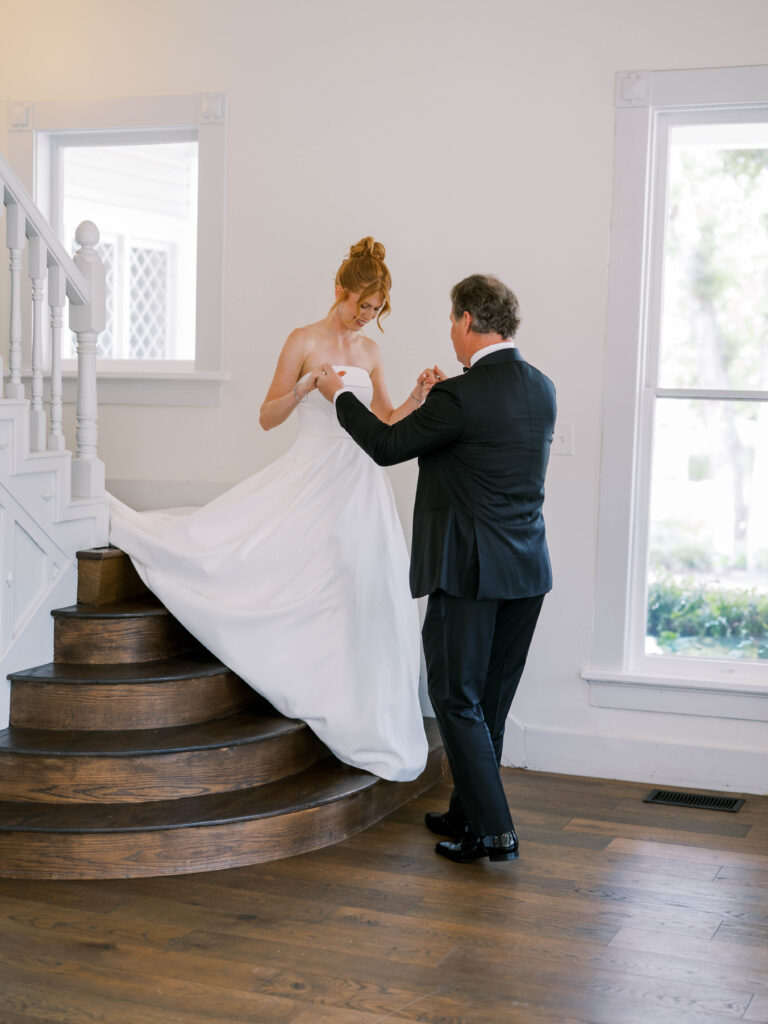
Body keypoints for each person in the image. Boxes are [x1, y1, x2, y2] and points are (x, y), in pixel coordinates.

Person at [108, 237, 435, 782]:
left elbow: (384, 422)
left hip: (359, 485)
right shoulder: (302, 340)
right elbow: (267, 415)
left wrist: (417, 399)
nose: (366, 318)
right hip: (311, 473)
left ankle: (360, 702)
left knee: (364, 588)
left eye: (376, 311)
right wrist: (307, 385)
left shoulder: (371, 353)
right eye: (362, 306)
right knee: (270, 567)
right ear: (340, 290)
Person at [317, 273, 556, 863]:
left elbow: (385, 446)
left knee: (455, 698)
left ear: (468, 322)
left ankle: (496, 832)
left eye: (452, 320)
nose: (450, 331)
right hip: (526, 573)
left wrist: (339, 398)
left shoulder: (461, 397)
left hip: (469, 573)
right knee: (488, 704)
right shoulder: (540, 387)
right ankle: (467, 813)